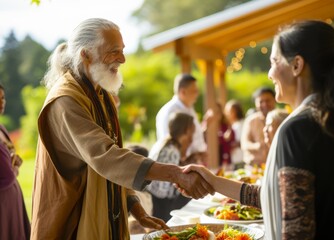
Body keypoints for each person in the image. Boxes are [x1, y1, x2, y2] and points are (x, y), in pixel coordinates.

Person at [31, 18, 214, 240]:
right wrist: (177, 174)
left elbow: (115, 161)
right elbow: (108, 157)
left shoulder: (101, 94)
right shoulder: (65, 101)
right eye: (113, 51)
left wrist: (138, 211)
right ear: (85, 54)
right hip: (72, 221)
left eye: (122, 50)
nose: (123, 59)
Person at [181, 20, 334, 239]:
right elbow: (277, 196)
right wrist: (214, 182)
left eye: (273, 61)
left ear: (297, 65)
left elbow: (296, 230)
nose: (269, 74)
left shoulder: (297, 129)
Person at [147, 112, 195, 221]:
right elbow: (164, 191)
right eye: (193, 130)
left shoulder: (165, 143)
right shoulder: (172, 151)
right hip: (160, 205)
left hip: (155, 198)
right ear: (187, 130)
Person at [155, 73, 209, 165]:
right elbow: (170, 143)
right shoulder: (169, 112)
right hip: (176, 165)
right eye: (194, 91)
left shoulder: (189, 109)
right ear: (183, 92)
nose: (197, 94)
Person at [0, 84, 31, 240]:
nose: (1, 103)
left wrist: (13, 160)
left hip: (13, 199)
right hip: (3, 205)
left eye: (3, 98)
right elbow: (7, 177)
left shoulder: (1, 127)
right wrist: (15, 167)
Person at [241, 87, 276, 166]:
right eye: (261, 101)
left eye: (267, 100)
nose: (264, 104)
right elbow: (244, 144)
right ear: (256, 103)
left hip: (275, 165)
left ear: (275, 100)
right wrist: (258, 146)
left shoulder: (281, 118)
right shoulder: (251, 121)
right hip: (254, 167)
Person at [224, 99, 245, 169]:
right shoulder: (234, 125)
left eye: (229, 111)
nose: (227, 114)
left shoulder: (241, 124)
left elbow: (242, 141)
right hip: (236, 159)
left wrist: (230, 145)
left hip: (240, 159)